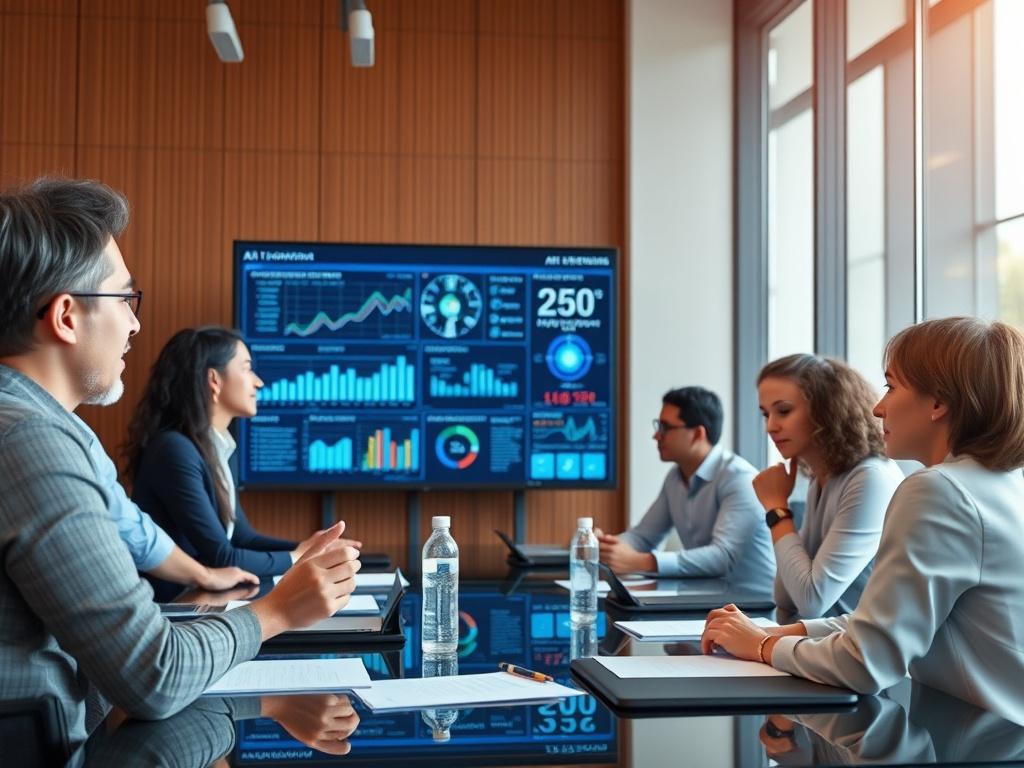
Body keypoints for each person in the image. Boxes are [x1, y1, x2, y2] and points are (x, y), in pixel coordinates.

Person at [0, 177, 361, 748]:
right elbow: (154, 675)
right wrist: (277, 613)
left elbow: (136, 536)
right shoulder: (32, 443)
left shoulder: (49, 430)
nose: (135, 324)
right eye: (125, 299)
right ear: (67, 315)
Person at [702, 318, 1024, 725]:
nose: (878, 407)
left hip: (978, 741)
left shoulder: (938, 489)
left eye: (891, 386)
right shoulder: (1001, 482)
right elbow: (883, 621)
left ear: (938, 403)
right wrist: (779, 633)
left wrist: (762, 648)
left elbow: (866, 661)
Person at [124, 327, 361, 601]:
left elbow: (243, 538)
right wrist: (298, 555)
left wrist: (310, 548)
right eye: (247, 369)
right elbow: (222, 556)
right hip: (171, 609)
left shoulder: (218, 448)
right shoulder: (174, 450)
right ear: (214, 380)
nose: (258, 382)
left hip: (202, 601)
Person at [754, 354, 903, 620]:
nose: (770, 426)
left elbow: (811, 600)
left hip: (859, 643)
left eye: (784, 411)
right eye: (766, 414)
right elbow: (785, 597)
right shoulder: (823, 476)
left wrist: (777, 509)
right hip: (825, 638)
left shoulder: (870, 478)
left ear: (826, 410)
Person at [595, 386, 775, 593]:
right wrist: (606, 546)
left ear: (698, 434)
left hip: (754, 605)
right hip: (706, 599)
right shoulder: (675, 477)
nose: (656, 435)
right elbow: (644, 537)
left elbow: (723, 557)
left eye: (665, 427)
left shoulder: (739, 478)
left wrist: (639, 562)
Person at [80, 411, 260, 594]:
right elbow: (224, 556)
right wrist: (206, 576)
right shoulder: (175, 448)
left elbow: (128, 523)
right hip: (160, 594)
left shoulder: (83, 434)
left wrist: (206, 576)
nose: (257, 388)